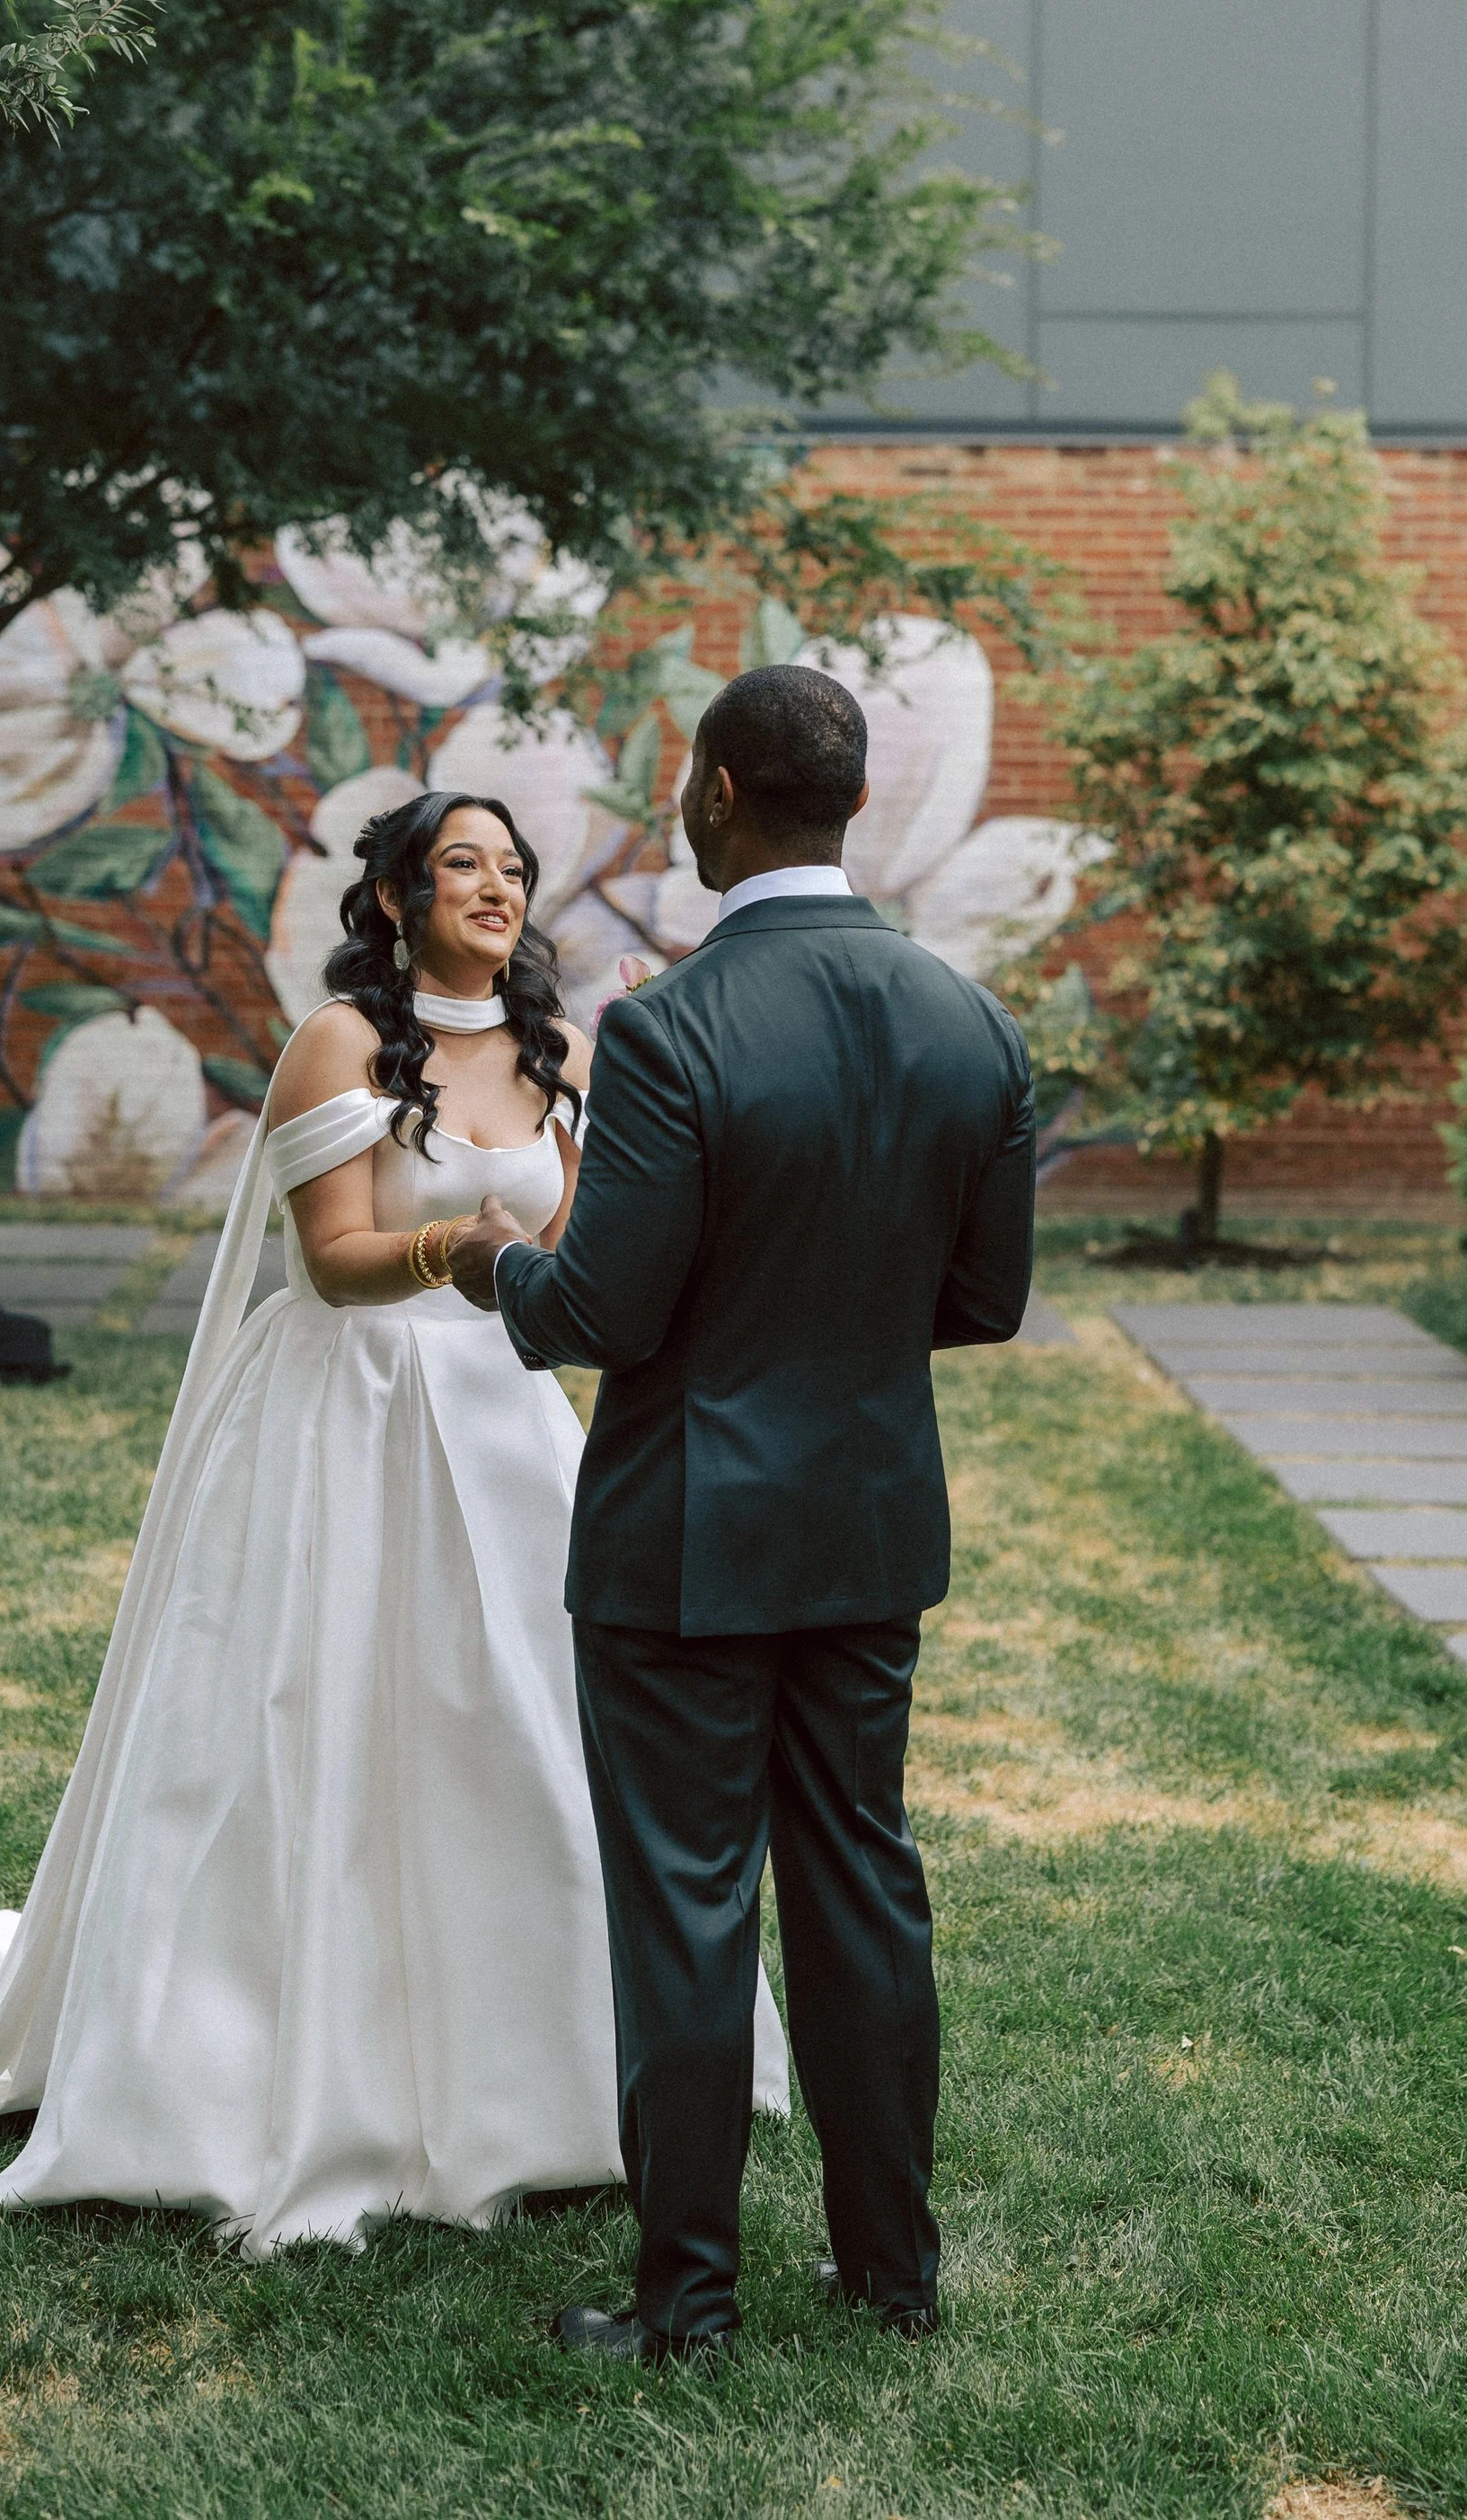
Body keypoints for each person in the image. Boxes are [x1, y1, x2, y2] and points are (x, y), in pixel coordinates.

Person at [0, 789, 788, 2247]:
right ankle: (271, 2060)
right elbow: (335, 1267)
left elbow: (560, 1263)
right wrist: (457, 1247)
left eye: (512, 868)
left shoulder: (550, 1051)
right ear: (395, 899)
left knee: (523, 1724)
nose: (496, 889)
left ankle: (546, 2078)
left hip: (500, 1426)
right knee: (316, 1716)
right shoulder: (342, 1045)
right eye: (462, 866)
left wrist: (607, 1141)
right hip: (351, 1416)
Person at [448, 665, 1036, 2363]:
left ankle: (688, 2304)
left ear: (717, 793)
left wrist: (498, 1264)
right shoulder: (972, 1023)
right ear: (847, 804)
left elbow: (601, 1315)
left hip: (684, 1538)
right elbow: (984, 1300)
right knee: (865, 1885)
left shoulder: (675, 1026)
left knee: (690, 1908)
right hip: (864, 1523)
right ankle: (891, 2278)